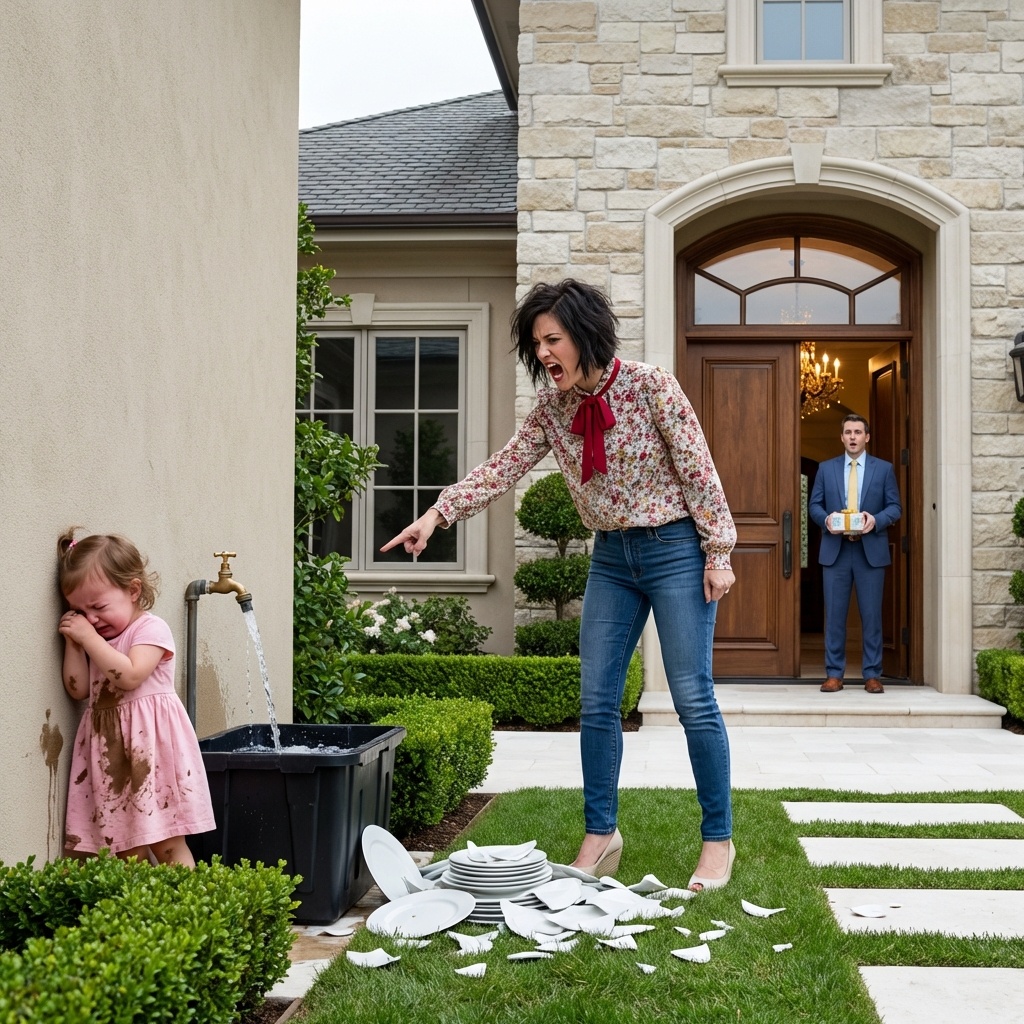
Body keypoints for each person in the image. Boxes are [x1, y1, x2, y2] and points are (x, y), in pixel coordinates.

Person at [382, 279, 737, 891]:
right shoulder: (553, 408)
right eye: (536, 343)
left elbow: (697, 467)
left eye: (553, 340)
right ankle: (601, 835)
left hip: (675, 548)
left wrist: (718, 550)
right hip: (612, 559)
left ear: (585, 335)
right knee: (597, 702)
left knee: (691, 697)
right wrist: (437, 514)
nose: (544, 353)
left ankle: (717, 840)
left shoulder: (652, 386)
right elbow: (505, 466)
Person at [57, 529, 215, 865]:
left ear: (133, 590)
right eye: (80, 611)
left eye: (98, 606)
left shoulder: (150, 629)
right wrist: (74, 644)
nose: (92, 619)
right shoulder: (94, 639)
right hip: (111, 755)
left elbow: (129, 675)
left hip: (152, 752)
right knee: (126, 848)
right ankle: (142, 912)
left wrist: (88, 638)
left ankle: (190, 910)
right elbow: (78, 689)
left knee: (167, 844)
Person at [809, 414, 902, 695]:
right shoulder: (825, 469)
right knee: (834, 616)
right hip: (836, 551)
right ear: (841, 437)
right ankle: (834, 674)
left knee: (871, 615)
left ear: (867, 437)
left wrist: (876, 519)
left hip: (869, 551)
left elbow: (895, 507)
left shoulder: (883, 469)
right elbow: (814, 505)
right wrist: (826, 520)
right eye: (848, 432)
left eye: (858, 432)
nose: (852, 437)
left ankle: (872, 674)